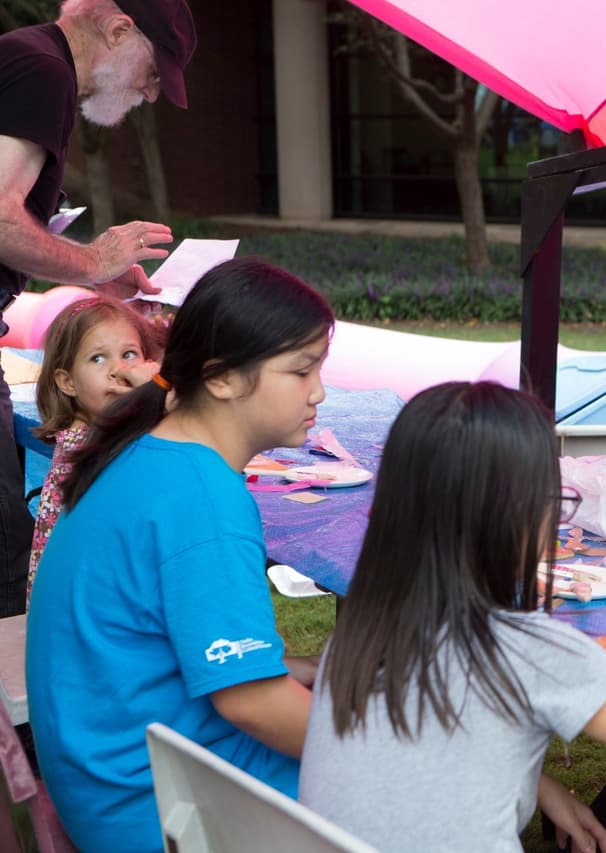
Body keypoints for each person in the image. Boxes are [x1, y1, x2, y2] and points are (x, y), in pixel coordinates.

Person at [298, 381, 606, 852]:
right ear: (519, 516)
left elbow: (431, 747)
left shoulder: (366, 627)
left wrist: (538, 783)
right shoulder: (533, 650)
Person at [26, 258, 330, 852]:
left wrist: (293, 671)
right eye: (301, 370)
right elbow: (250, 702)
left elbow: (154, 648)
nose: (319, 390)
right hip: (156, 806)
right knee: (427, 796)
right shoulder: (204, 498)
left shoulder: (148, 452)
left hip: (107, 776)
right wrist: (400, 751)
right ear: (220, 379)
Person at [0, 0, 196, 617]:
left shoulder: (26, 56)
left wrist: (95, 275)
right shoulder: (44, 72)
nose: (153, 92)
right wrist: (92, 262)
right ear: (118, 30)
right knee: (5, 556)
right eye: (155, 70)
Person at [29, 295, 162, 589]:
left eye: (128, 354)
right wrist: (161, 392)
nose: (118, 370)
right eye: (98, 358)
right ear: (68, 383)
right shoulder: (85, 448)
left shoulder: (110, 434)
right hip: (81, 615)